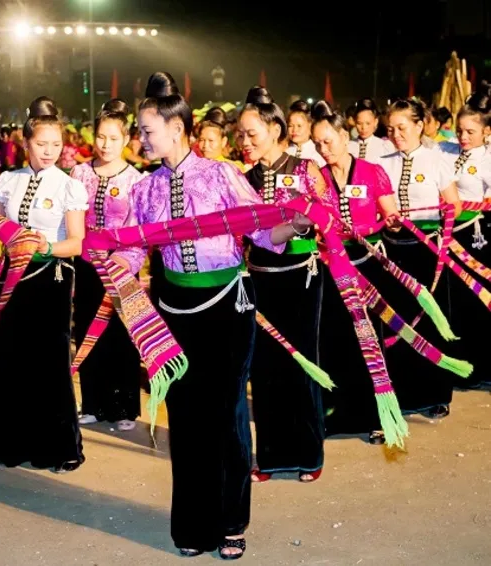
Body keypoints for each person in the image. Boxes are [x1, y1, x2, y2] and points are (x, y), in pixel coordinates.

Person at [112, 72, 312, 559]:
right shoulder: (144, 190)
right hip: (172, 310)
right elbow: (132, 252)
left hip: (226, 309)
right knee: (185, 417)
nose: (141, 138)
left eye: (147, 130)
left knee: (225, 415)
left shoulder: (221, 174)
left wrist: (297, 224)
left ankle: (230, 521)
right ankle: (194, 527)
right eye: (140, 131)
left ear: (176, 130)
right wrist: (105, 261)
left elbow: (263, 234)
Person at [0, 96, 89, 473]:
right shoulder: (8, 181)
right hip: (11, 278)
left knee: (48, 363)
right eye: (42, 144)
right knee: (7, 358)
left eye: (56, 145)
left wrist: (44, 245)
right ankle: (9, 445)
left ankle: (58, 448)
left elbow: (77, 242)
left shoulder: (68, 185)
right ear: (25, 143)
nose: (50, 152)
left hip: (51, 277)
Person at [239, 86, 328, 484]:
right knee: (265, 367)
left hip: (301, 278)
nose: (245, 141)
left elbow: (324, 219)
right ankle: (271, 456)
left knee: (302, 362)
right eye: (240, 134)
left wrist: (306, 225)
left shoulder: (306, 170)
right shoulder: (241, 179)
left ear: (275, 129)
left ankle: (308, 454)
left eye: (252, 133)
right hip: (260, 280)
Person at [310, 100, 401, 444]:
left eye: (329, 140)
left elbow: (390, 216)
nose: (324, 148)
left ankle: (376, 415)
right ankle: (341, 413)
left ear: (344, 137)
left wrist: (391, 224)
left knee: (372, 340)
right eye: (318, 143)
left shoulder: (372, 171)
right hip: (332, 266)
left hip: (367, 265)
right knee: (335, 339)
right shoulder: (315, 179)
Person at [378, 98, 461, 419]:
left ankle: (434, 393)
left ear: (418, 126)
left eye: (402, 128)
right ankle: (404, 391)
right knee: (397, 318)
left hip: (426, 251)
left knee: (429, 318)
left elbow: (454, 204)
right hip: (392, 250)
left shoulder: (435, 159)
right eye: (391, 129)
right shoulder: (383, 163)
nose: (396, 134)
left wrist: (431, 221)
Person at [70, 99, 143, 431]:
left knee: (122, 336)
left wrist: (123, 262)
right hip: (87, 266)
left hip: (122, 266)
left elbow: (138, 231)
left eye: (113, 138)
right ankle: (93, 403)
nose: (106, 144)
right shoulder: (80, 173)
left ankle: (125, 406)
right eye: (101, 136)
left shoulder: (136, 180)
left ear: (126, 140)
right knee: (87, 331)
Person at [438, 81, 491, 387]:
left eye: (471, 131)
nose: (463, 137)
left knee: (476, 302)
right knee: (451, 301)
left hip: (475, 238)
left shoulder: (487, 158)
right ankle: (456, 363)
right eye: (459, 130)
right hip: (445, 237)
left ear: (485, 131)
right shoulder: (444, 150)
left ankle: (482, 366)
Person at [348, 99, 396, 163]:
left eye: (368, 123)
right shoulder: (348, 146)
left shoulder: (384, 146)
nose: (363, 128)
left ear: (376, 122)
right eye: (359, 123)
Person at [286, 100, 326, 167]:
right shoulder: (285, 152)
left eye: (299, 126)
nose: (294, 130)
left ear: (310, 126)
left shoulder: (319, 152)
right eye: (290, 126)